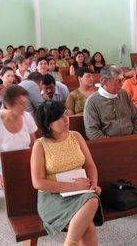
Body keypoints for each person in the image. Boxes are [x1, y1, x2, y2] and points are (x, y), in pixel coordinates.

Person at [31, 101, 103, 245]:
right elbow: (38, 183)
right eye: (59, 117)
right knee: (88, 223)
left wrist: (93, 185)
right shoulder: (40, 145)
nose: (66, 119)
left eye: (65, 114)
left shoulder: (75, 136)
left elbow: (90, 165)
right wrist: (75, 186)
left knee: (92, 200)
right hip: (53, 197)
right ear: (48, 124)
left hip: (81, 192)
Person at [83, 64, 137, 140]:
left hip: (132, 139)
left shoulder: (123, 93)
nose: (122, 84)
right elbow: (92, 131)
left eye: (122, 80)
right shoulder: (92, 102)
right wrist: (111, 143)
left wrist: (135, 136)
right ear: (105, 82)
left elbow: (136, 117)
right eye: (118, 81)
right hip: (108, 145)